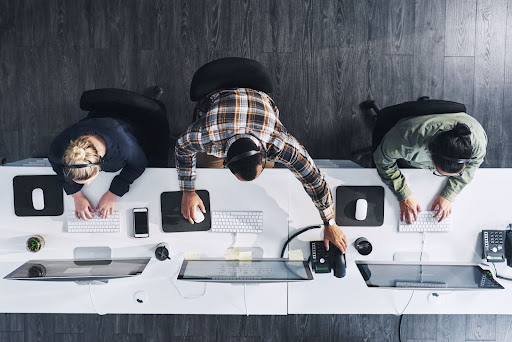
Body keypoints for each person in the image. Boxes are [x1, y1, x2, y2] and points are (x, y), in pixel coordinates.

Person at [175, 88, 347, 252]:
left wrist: (329, 222)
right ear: (224, 160)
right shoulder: (208, 136)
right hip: (219, 103)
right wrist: (188, 191)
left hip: (259, 111)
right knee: (209, 176)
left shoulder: (278, 142)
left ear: (263, 155)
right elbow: (182, 148)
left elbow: (314, 179)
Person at [49, 88, 169, 220]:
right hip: (100, 117)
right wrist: (77, 196)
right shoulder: (59, 147)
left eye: (88, 181)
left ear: (99, 165)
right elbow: (57, 164)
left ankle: (148, 101)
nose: (88, 185)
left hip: (135, 125)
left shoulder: (123, 148)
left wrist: (113, 193)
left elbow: (139, 164)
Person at [373, 113, 487, 224]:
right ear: (431, 160)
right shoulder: (404, 141)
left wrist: (449, 194)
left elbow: (474, 163)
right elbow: (383, 162)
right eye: (439, 173)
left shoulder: (478, 141)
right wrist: (404, 195)